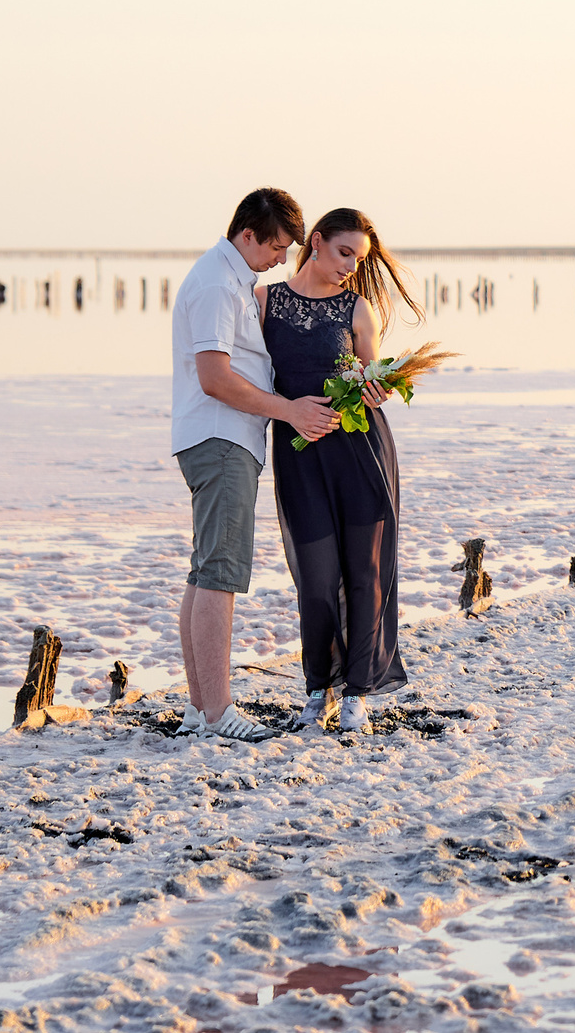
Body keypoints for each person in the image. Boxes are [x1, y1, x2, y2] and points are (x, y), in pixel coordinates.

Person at [170, 187, 337, 742]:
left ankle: (200, 710)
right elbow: (214, 378)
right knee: (220, 574)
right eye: (277, 247)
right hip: (220, 439)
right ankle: (219, 711)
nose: (283, 260)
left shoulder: (230, 278)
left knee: (204, 570)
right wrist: (289, 410)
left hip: (219, 438)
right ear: (248, 235)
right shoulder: (218, 284)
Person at [263, 206, 420, 729]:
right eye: (344, 252)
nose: (351, 266)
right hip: (300, 455)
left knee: (365, 574)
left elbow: (370, 375)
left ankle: (357, 693)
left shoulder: (357, 308)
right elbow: (250, 381)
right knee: (316, 579)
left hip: (360, 452)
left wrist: (378, 389)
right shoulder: (264, 302)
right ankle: (318, 688)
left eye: (359, 259)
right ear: (316, 242)